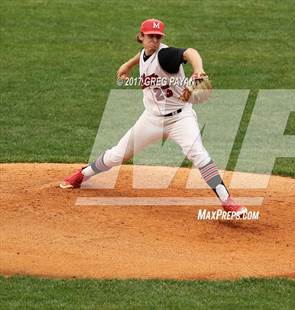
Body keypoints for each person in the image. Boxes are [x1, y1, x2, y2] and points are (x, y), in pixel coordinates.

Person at [60, 18, 247, 216]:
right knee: (117, 155)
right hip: (151, 119)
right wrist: (129, 64)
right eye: (151, 36)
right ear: (141, 37)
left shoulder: (166, 55)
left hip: (180, 119)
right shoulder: (144, 52)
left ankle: (227, 201)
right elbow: (142, 55)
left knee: (199, 155)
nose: (155, 41)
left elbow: (189, 52)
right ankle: (83, 174)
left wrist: (198, 69)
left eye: (158, 37)